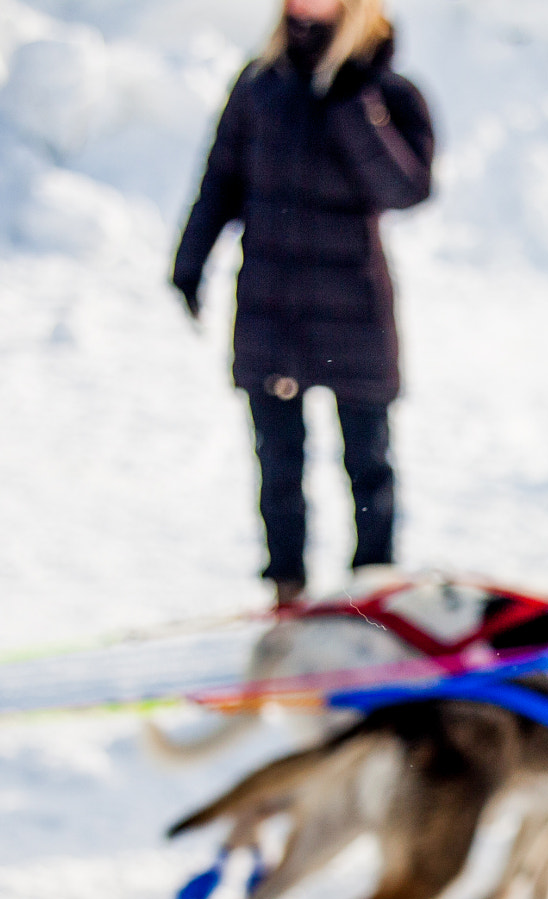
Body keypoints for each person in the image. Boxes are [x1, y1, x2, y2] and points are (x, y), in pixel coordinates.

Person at [172, 0, 434, 610]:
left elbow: (405, 189)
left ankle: (374, 594)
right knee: (278, 463)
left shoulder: (388, 92)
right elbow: (221, 179)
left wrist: (353, 109)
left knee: (367, 460)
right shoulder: (261, 85)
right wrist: (190, 260)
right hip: (273, 302)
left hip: (352, 305)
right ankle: (286, 592)